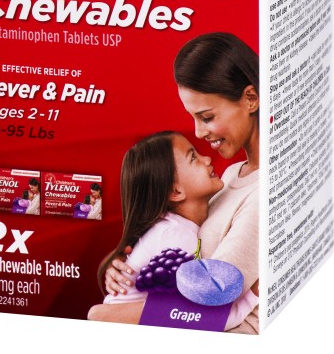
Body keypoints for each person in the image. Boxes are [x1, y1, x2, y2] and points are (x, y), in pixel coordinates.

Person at [96, 33, 260, 334]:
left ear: (250, 98)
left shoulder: (263, 193)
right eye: (193, 118)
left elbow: (212, 299)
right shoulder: (231, 175)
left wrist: (105, 314)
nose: (198, 132)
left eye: (207, 117)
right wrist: (126, 268)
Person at [88, 131, 257, 329]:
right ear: (175, 192)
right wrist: (252, 296)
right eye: (193, 158)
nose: (207, 159)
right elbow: (196, 315)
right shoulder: (177, 237)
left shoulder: (177, 228)